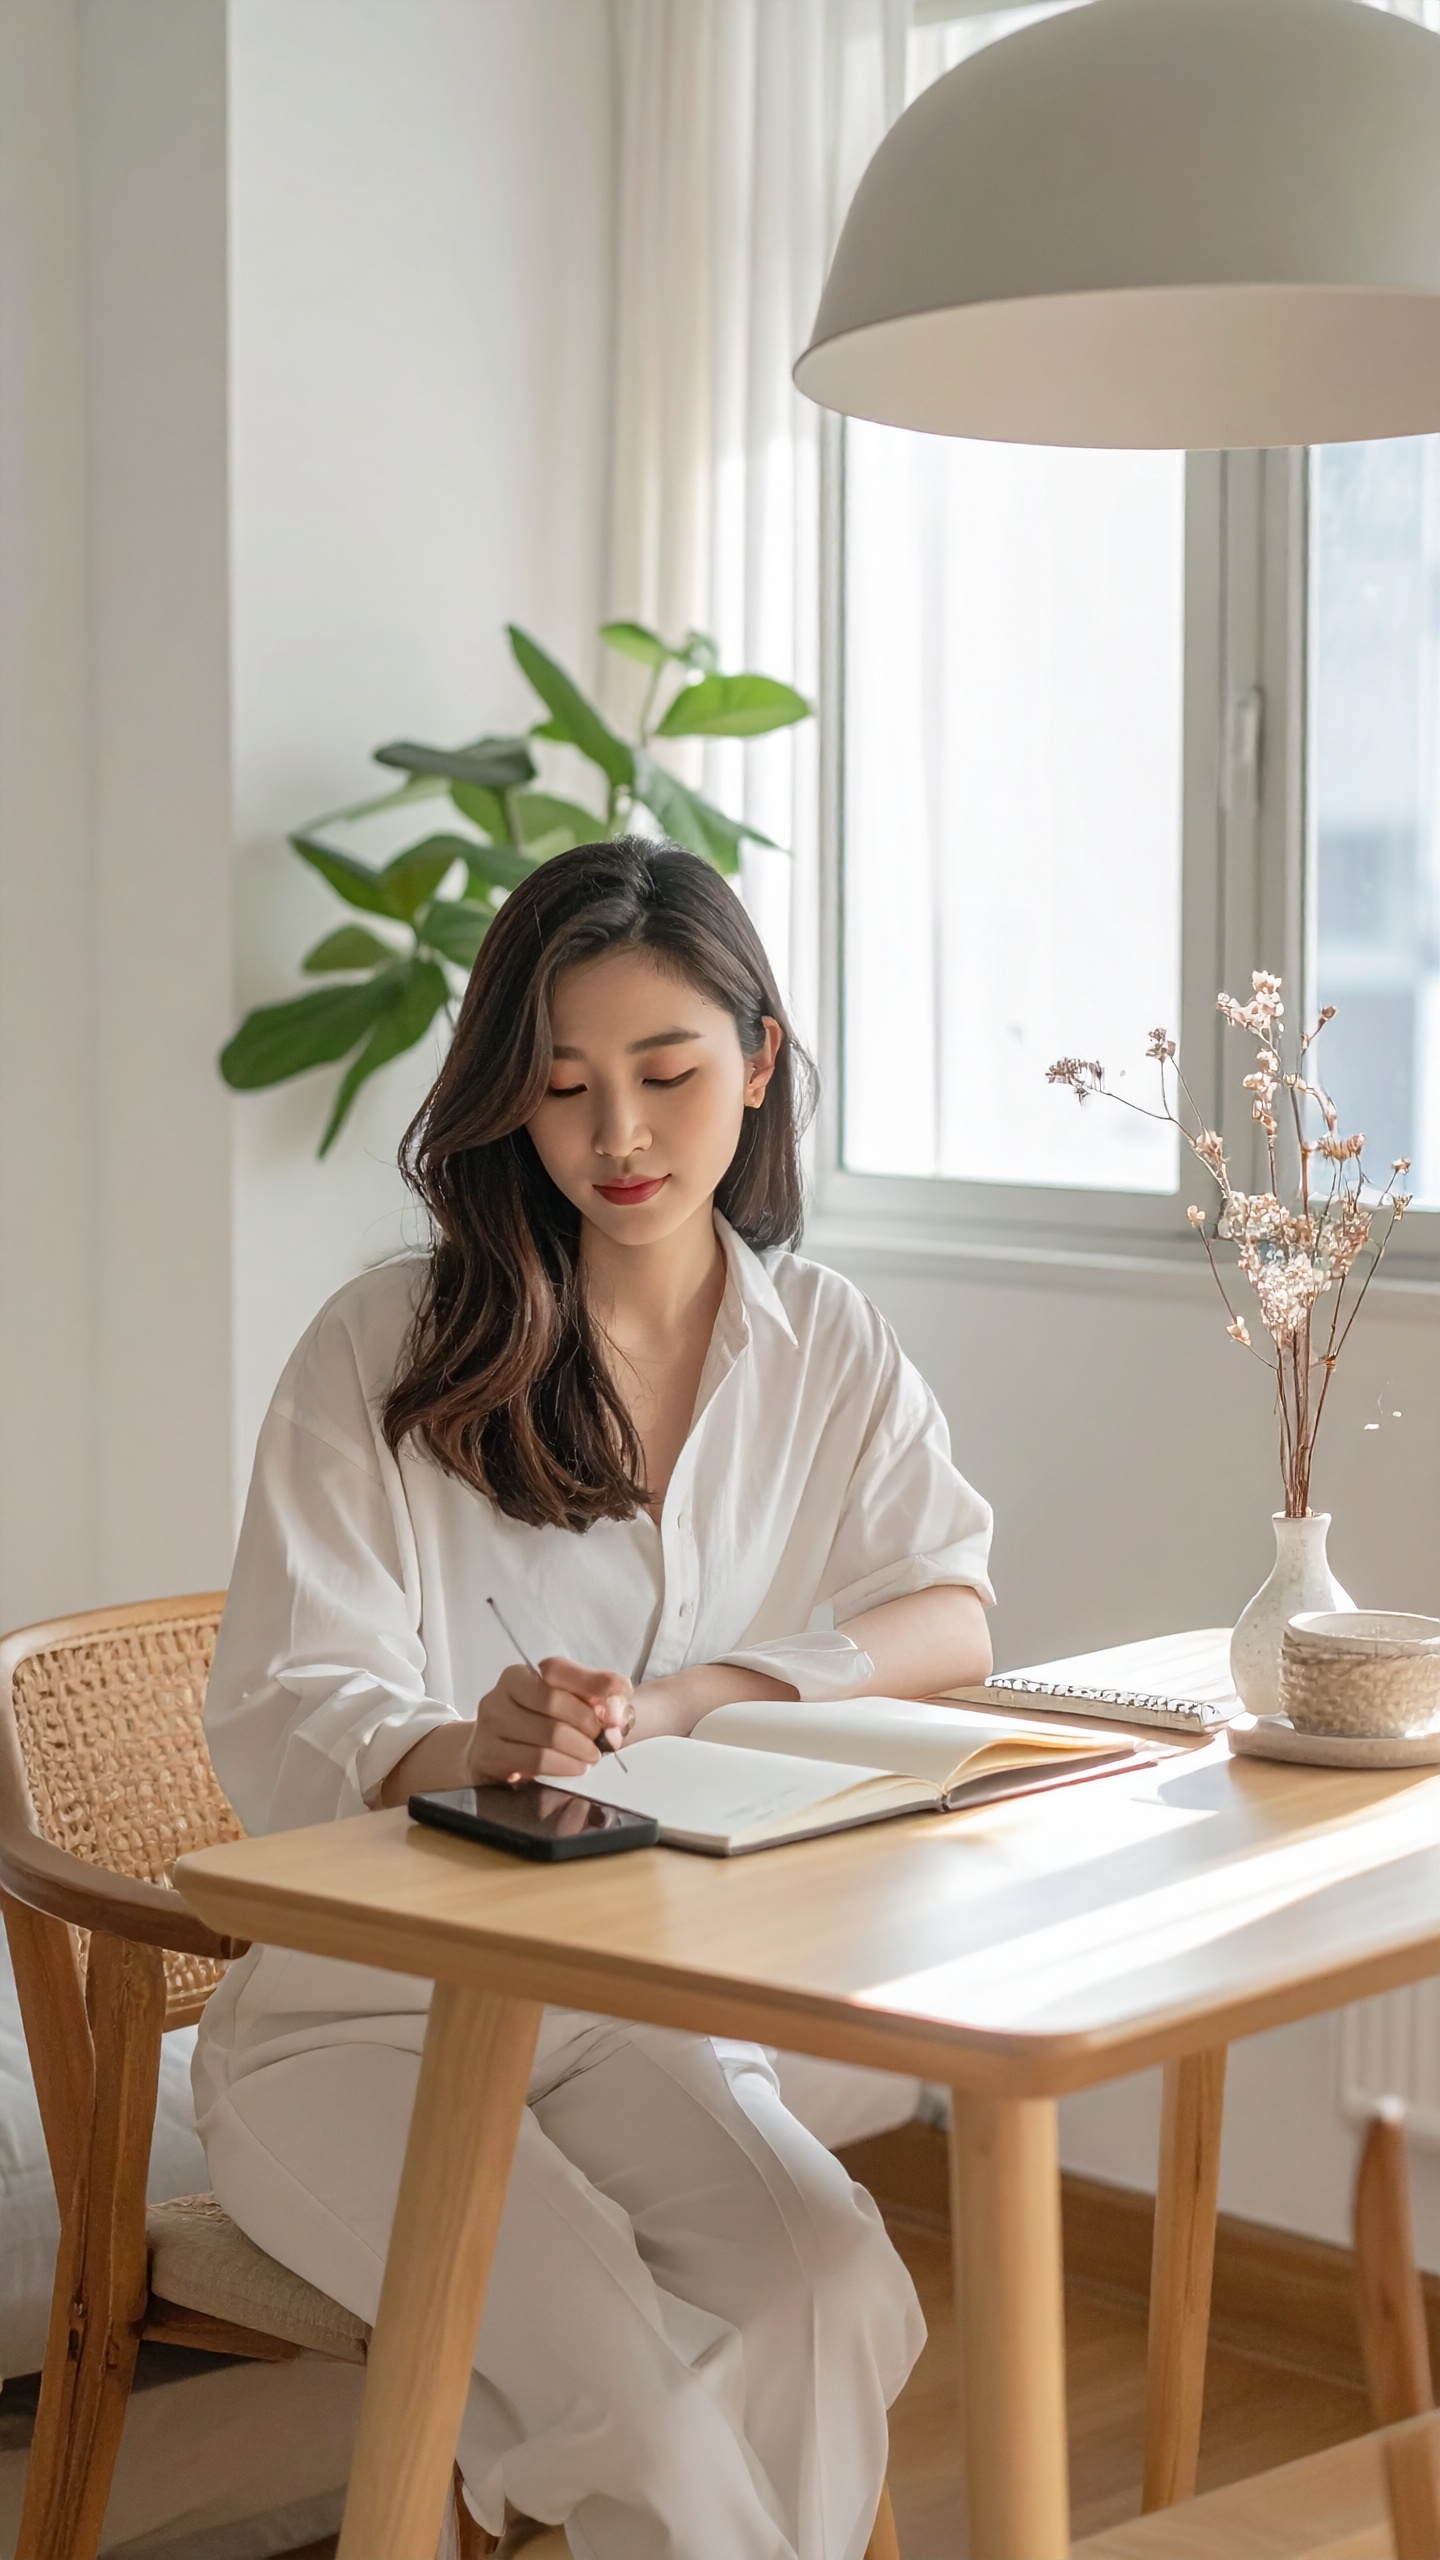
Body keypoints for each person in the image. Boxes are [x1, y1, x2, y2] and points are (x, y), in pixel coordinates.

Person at [194, 838, 994, 2560]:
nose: (618, 1136)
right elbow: (284, 1700)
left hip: (631, 2008)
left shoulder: (826, 1343)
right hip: (361, 2025)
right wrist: (453, 1747)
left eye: (665, 1071)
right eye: (562, 1087)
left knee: (839, 2291)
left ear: (760, 1060)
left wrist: (704, 1693)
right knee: (623, 2398)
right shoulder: (382, 1348)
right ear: (506, 1100)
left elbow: (951, 1605)